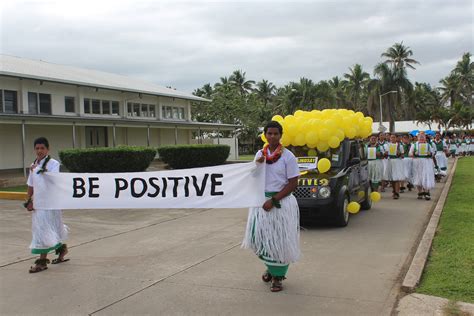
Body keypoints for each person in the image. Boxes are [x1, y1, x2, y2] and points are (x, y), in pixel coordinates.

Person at [242, 121, 300, 293]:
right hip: (261, 202)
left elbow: (293, 183)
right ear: (265, 135)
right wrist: (257, 165)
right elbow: (252, 176)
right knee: (258, 238)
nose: (272, 136)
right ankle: (270, 267)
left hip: (281, 204)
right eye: (269, 133)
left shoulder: (288, 156)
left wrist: (274, 201)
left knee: (279, 242)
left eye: (276, 133)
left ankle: (277, 278)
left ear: (280, 135)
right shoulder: (260, 154)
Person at [25, 137, 69, 273]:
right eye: (37, 148)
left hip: (51, 203)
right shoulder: (34, 165)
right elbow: (31, 185)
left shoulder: (53, 164)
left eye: (42, 148)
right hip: (39, 203)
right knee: (44, 229)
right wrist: (28, 200)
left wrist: (36, 170)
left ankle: (42, 262)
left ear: (48, 149)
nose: (39, 151)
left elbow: (52, 179)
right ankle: (62, 250)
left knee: (47, 229)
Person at [409, 132, 435, 201]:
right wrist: (414, 154)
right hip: (417, 162)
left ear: (425, 138)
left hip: (426, 162)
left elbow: (433, 154)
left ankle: (426, 192)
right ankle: (420, 192)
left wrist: (430, 153)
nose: (421, 138)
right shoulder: (414, 145)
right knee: (418, 177)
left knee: (426, 176)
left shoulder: (428, 145)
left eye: (423, 136)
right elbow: (410, 154)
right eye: (420, 136)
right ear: (417, 137)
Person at [385, 134, 405, 199]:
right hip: (390, 161)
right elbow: (385, 155)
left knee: (396, 178)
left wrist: (399, 153)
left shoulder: (400, 146)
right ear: (390, 138)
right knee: (392, 179)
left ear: (396, 138)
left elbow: (402, 156)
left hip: (397, 162)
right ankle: (394, 191)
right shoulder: (387, 145)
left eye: (394, 137)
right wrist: (386, 153)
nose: (392, 138)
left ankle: (397, 193)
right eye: (391, 137)